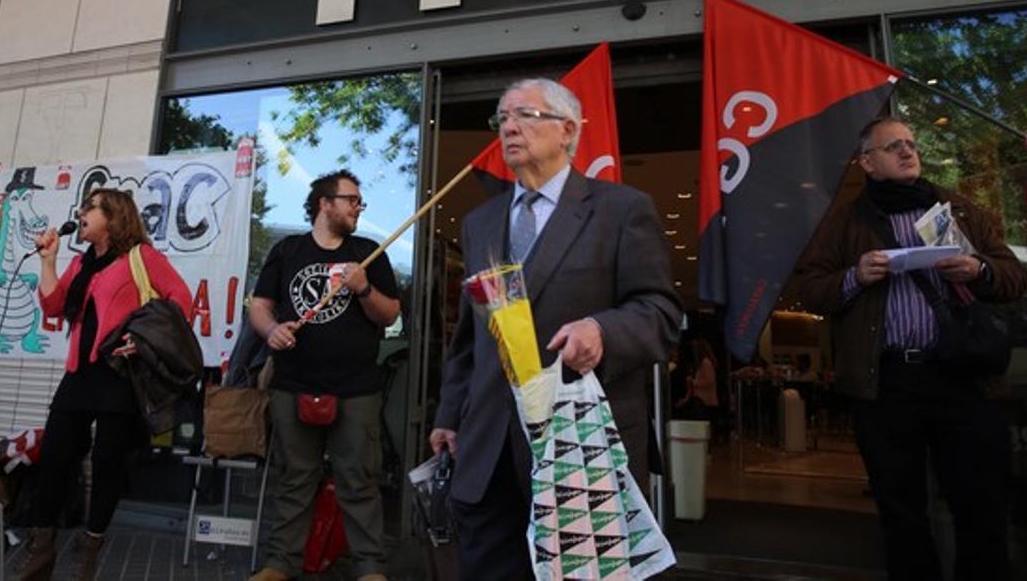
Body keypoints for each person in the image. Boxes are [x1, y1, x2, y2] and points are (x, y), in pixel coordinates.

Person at [429, 78, 683, 580]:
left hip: (576, 447)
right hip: (488, 448)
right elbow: (468, 340)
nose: (509, 128)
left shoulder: (621, 209)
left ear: (568, 130)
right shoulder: (480, 223)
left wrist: (602, 330)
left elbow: (661, 312)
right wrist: (450, 415)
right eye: (501, 119)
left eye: (524, 115)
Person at [797, 116, 1027, 581]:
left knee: (980, 506)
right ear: (868, 163)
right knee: (901, 512)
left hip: (964, 379)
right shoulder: (845, 222)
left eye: (911, 144)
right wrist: (853, 277)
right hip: (887, 385)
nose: (908, 152)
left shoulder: (960, 210)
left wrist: (978, 271)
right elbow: (811, 289)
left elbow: (1014, 278)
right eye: (893, 147)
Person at [19, 189, 193, 581]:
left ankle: (89, 555)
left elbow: (181, 300)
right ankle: (42, 551)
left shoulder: (142, 258)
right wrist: (49, 261)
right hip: (79, 372)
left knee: (107, 462)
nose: (80, 213)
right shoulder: (81, 262)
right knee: (55, 459)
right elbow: (52, 305)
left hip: (119, 374)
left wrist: (146, 341)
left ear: (113, 217)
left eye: (90, 207)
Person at [247, 170, 401, 581]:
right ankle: (281, 562)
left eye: (358, 201)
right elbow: (260, 306)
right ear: (324, 203)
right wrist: (272, 330)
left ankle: (370, 567)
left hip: (356, 388)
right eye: (351, 199)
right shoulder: (288, 250)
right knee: (294, 477)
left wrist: (364, 288)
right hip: (293, 384)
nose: (357, 208)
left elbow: (389, 314)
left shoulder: (369, 253)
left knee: (358, 479)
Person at [674, 338, 719, 420]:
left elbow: (709, 381)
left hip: (705, 401)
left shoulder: (706, 363)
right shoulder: (699, 364)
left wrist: (693, 382)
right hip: (699, 400)